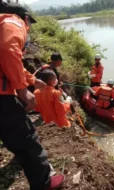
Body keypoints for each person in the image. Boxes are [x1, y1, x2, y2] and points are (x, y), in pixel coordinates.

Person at [0, 2, 65, 190]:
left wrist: (31, 80)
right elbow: (7, 51)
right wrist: (21, 89)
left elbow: (10, 62)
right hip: (3, 97)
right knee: (27, 139)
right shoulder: (14, 22)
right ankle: (44, 183)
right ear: (26, 18)